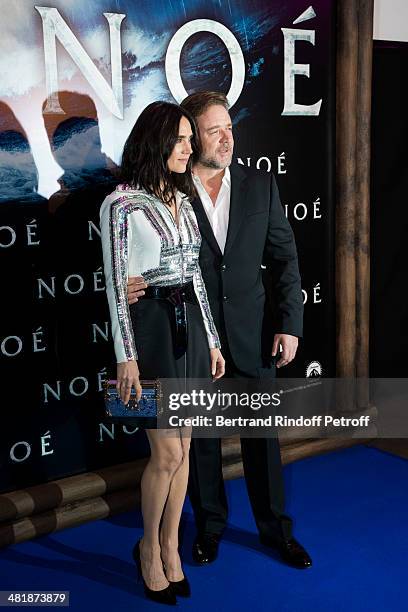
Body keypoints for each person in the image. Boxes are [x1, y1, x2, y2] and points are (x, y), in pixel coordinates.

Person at [127, 92, 312, 570]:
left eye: (229, 128)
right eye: (214, 131)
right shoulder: (166, 191)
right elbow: (141, 256)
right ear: (190, 136)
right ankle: (209, 527)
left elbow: (286, 259)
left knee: (262, 441)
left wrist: (289, 325)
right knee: (199, 442)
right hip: (190, 338)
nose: (227, 138)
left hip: (253, 335)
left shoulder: (260, 185)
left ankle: (275, 531)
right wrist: (133, 284)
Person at [99, 101, 225, 605]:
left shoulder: (184, 197)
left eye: (191, 139)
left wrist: (213, 340)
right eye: (180, 139)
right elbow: (114, 282)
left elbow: (194, 275)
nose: (189, 147)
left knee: (187, 446)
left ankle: (172, 548)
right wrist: (125, 355)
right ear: (155, 141)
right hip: (150, 333)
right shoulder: (121, 204)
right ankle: (148, 548)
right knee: (166, 451)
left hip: (190, 329)